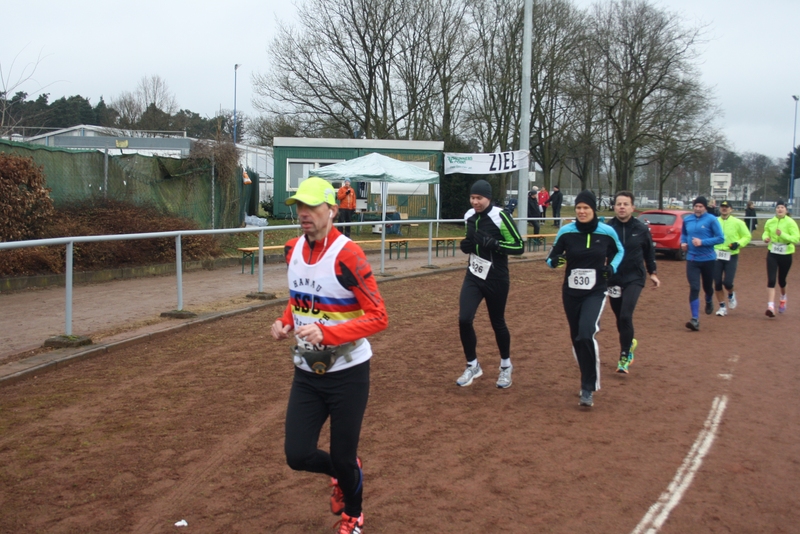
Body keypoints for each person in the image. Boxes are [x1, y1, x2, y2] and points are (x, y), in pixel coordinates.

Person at [270, 177, 388, 534]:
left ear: (333, 210)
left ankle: (353, 514)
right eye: (299, 207)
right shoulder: (291, 249)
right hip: (307, 371)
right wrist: (285, 321)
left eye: (311, 206)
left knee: (342, 454)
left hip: (348, 374)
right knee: (298, 455)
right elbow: (299, 298)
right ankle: (343, 473)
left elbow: (379, 317)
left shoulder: (348, 254)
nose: (303, 213)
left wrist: (328, 332)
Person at [546, 190, 624, 407]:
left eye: (586, 208)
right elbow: (551, 258)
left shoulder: (607, 232)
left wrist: (612, 267)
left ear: (593, 210)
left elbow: (619, 251)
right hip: (571, 293)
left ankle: (588, 387)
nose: (581, 211)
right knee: (577, 338)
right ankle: (586, 376)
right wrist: (556, 262)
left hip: (595, 292)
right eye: (579, 208)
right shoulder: (566, 231)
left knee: (586, 332)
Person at [456, 179, 525, 389]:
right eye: (472, 197)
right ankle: (472, 365)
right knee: (464, 319)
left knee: (497, 322)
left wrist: (495, 244)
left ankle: (505, 366)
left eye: (479, 198)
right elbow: (471, 242)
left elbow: (519, 246)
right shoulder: (469, 216)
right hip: (474, 275)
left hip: (496, 278)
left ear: (488, 198)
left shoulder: (500, 216)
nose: (475, 202)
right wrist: (466, 246)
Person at [606, 191, 659, 374]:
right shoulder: (607, 228)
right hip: (613, 278)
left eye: (626, 204)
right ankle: (629, 342)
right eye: (619, 204)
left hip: (634, 278)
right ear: (614, 207)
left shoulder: (641, 229)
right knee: (619, 317)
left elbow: (649, 252)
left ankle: (624, 356)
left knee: (625, 315)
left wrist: (653, 273)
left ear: (632, 207)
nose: (622, 207)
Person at [680, 196, 724, 331]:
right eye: (696, 206)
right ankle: (695, 319)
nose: (698, 209)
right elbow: (683, 233)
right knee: (694, 288)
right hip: (692, 259)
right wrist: (683, 243)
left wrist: (702, 242)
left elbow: (720, 238)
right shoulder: (687, 219)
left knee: (707, 287)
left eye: (701, 206)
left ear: (705, 207)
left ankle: (709, 299)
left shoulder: (712, 219)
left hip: (708, 259)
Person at [712, 200, 752, 316]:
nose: (724, 208)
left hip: (731, 255)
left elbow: (747, 236)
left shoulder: (738, 222)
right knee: (717, 283)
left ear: (731, 209)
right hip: (716, 255)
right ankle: (722, 307)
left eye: (727, 207)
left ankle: (731, 294)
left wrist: (738, 243)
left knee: (728, 282)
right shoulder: (714, 221)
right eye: (722, 207)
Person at [761, 200, 800, 317]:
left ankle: (783, 298)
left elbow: (796, 238)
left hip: (786, 254)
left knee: (781, 280)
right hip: (772, 252)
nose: (780, 209)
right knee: (771, 280)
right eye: (778, 207)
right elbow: (765, 232)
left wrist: (782, 234)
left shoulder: (791, 222)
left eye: (782, 207)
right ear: (775, 209)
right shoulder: (770, 222)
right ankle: (770, 306)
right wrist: (765, 238)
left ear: (786, 210)